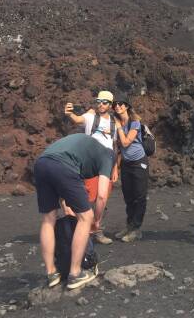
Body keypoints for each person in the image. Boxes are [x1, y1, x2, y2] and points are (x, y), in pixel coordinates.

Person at [33, 134, 113, 290]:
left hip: (41, 164)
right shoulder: (107, 155)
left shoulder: (84, 149)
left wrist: (67, 208)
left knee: (48, 219)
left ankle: (51, 273)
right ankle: (75, 274)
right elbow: (102, 196)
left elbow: (64, 187)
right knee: (86, 218)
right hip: (62, 166)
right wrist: (95, 221)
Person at [64, 91, 119, 244]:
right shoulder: (90, 117)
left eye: (104, 102)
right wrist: (69, 113)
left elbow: (115, 146)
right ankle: (83, 230)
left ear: (110, 105)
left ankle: (97, 230)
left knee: (103, 199)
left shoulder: (115, 122)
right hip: (91, 163)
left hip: (107, 164)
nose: (100, 104)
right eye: (98, 101)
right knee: (88, 197)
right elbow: (76, 119)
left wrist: (115, 168)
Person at [113, 94, 149, 243]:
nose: (117, 106)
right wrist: (116, 167)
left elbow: (126, 142)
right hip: (126, 164)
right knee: (128, 196)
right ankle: (129, 226)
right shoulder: (116, 124)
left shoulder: (134, 122)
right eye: (115, 104)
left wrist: (119, 127)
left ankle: (136, 229)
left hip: (139, 162)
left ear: (126, 106)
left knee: (139, 196)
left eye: (121, 104)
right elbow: (117, 148)